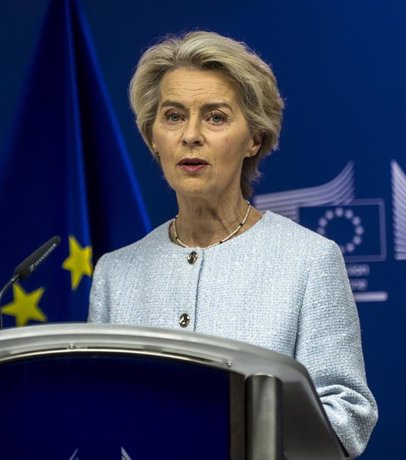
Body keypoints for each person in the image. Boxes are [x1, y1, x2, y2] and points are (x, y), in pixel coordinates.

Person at [88, 30, 378, 458]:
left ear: (254, 139)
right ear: (153, 137)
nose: (190, 135)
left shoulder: (309, 260)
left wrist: (238, 435)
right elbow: (98, 416)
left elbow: (347, 416)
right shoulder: (116, 273)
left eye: (215, 117)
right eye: (172, 116)